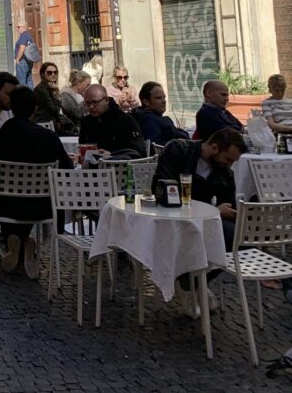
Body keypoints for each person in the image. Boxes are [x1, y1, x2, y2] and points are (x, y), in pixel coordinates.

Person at [153, 129, 247, 317]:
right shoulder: (178, 150)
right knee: (229, 236)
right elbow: (165, 191)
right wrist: (214, 210)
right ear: (214, 147)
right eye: (228, 159)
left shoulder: (223, 171)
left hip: (204, 222)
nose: (229, 165)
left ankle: (193, 280)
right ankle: (192, 281)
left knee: (240, 238)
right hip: (171, 219)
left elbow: (229, 206)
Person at [0, 86, 72, 279]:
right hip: (41, 207)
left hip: (6, 205)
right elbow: (66, 169)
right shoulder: (48, 137)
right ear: (34, 110)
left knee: (7, 196)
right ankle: (24, 244)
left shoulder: (1, 137)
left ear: (11, 108)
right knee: (32, 200)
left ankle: (14, 240)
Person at [79, 83, 146, 158]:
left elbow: (138, 150)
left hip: (120, 163)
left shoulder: (125, 120)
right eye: (87, 103)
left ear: (106, 100)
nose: (91, 107)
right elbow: (82, 145)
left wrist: (112, 154)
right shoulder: (86, 121)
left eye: (95, 102)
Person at [135, 82, 189, 146]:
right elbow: (155, 146)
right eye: (158, 98)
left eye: (164, 97)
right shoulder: (149, 120)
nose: (164, 101)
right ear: (146, 102)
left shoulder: (154, 117)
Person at [33, 62, 75, 135]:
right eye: (49, 73)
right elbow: (55, 110)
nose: (53, 75)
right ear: (42, 74)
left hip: (51, 123)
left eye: (55, 72)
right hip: (44, 124)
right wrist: (57, 94)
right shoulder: (41, 89)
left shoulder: (50, 88)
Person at [13, 22, 39, 87]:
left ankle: (24, 93)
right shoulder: (28, 35)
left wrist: (17, 60)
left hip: (22, 61)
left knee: (21, 82)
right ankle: (31, 93)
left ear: (23, 27)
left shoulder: (23, 36)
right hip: (28, 61)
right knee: (29, 80)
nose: (17, 29)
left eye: (18, 27)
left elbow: (22, 49)